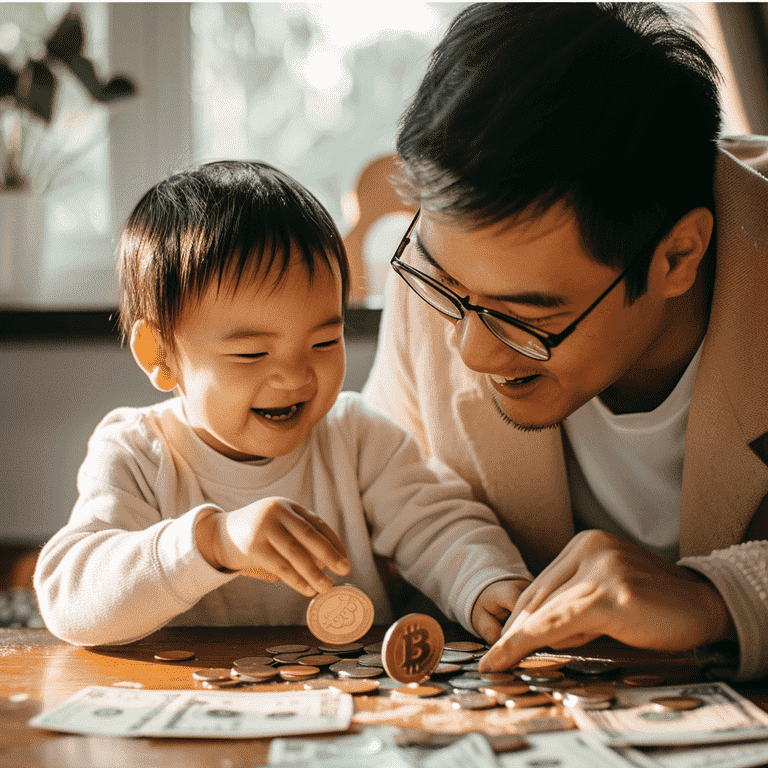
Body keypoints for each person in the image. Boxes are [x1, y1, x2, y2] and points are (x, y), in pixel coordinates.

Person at [363, 3, 768, 680]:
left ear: (677, 256)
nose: (470, 353)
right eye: (446, 287)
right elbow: (379, 495)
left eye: (525, 318)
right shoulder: (438, 281)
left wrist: (722, 597)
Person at [33, 160, 528, 647]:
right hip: (195, 712)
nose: (294, 376)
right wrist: (215, 542)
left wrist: (487, 584)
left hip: (345, 704)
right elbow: (69, 598)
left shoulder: (356, 437)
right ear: (160, 354)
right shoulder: (137, 453)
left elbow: (438, 523)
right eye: (251, 353)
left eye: (324, 343)